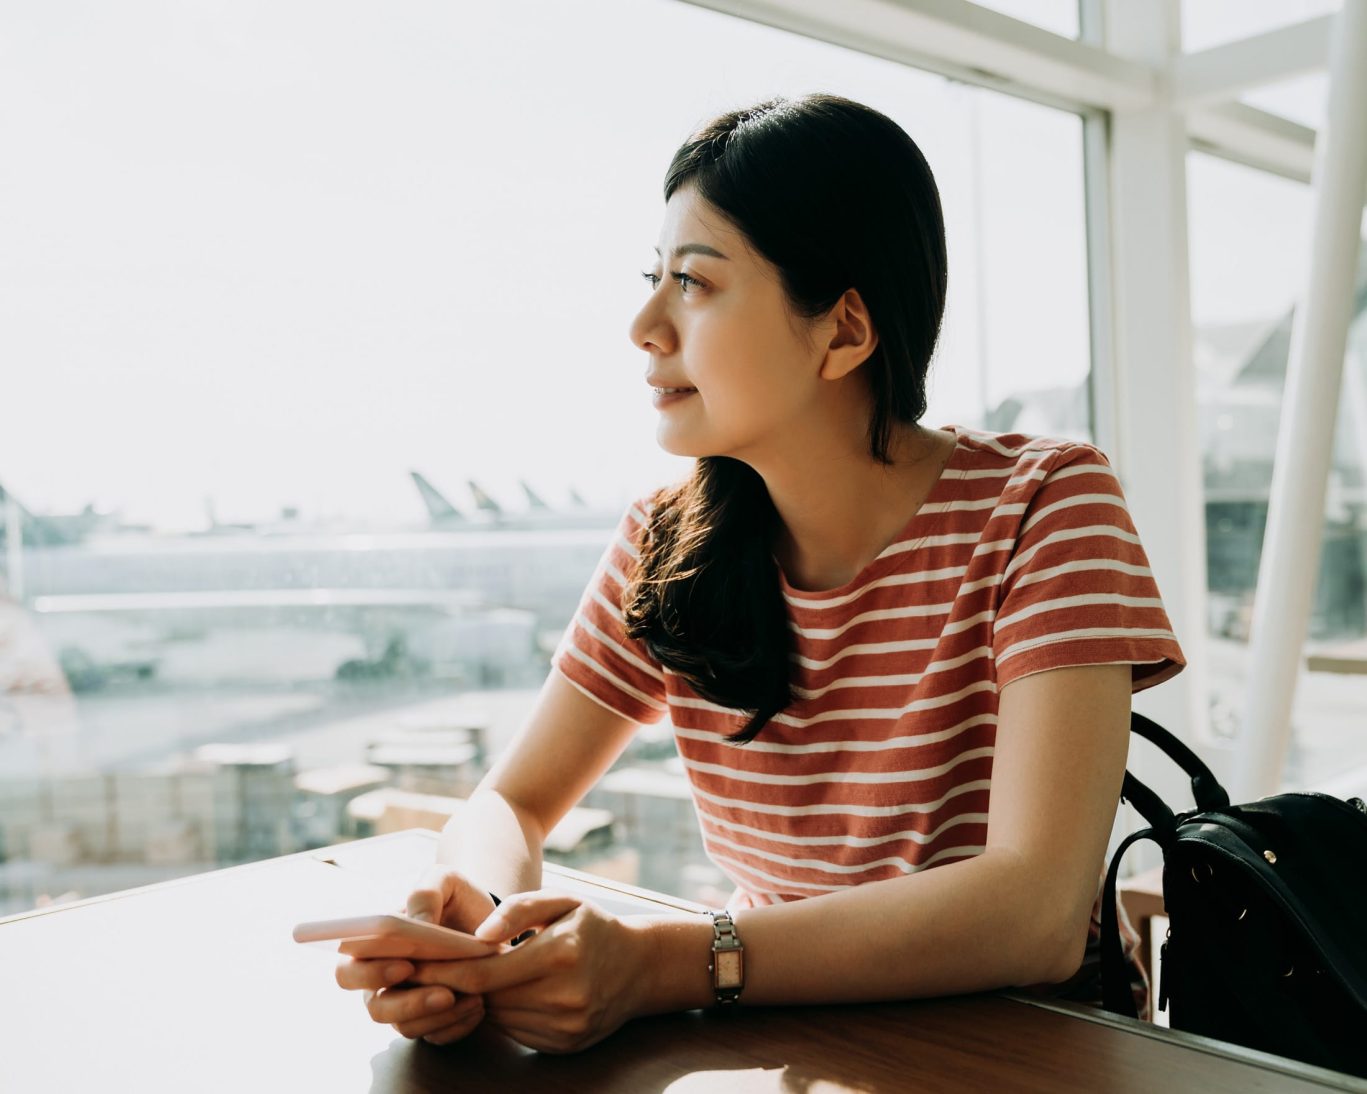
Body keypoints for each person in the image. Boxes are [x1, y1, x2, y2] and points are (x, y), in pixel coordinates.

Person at [334, 93, 1185, 1053]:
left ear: (845, 332)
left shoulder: (1044, 503)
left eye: (693, 284)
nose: (643, 325)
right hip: (771, 1041)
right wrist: (483, 926)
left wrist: (665, 963)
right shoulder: (668, 537)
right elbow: (509, 803)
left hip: (1016, 1052)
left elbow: (1031, 910)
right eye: (652, 277)